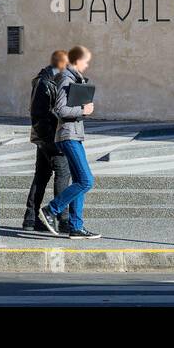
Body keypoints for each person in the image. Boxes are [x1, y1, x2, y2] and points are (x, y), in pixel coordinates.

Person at [38, 45, 100, 239]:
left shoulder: (74, 79)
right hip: (68, 135)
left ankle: (75, 226)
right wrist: (83, 110)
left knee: (79, 180)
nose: (87, 65)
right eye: (86, 61)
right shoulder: (66, 78)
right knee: (86, 180)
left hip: (74, 135)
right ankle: (50, 210)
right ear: (76, 61)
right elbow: (61, 110)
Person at [23, 50, 72, 234]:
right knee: (63, 173)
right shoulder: (45, 82)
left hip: (45, 137)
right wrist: (52, 141)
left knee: (42, 176)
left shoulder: (47, 80)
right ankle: (62, 218)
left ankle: (30, 218)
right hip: (50, 138)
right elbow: (39, 115)